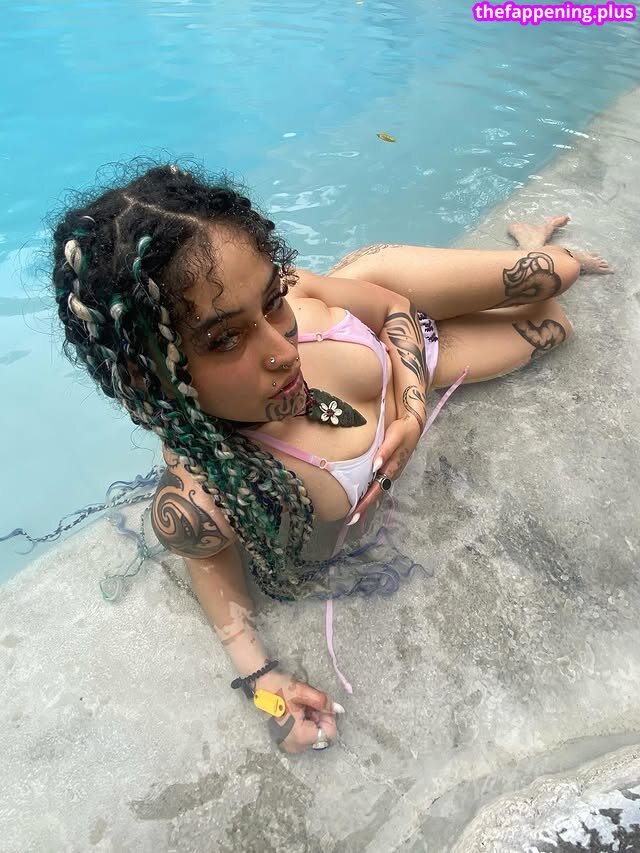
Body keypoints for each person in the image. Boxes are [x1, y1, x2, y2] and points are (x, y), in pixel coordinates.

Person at [51, 163, 610, 754]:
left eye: (273, 300)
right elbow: (208, 561)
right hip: (430, 357)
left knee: (562, 271)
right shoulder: (207, 492)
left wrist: (411, 414)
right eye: (224, 338)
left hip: (380, 307)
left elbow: (392, 305)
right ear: (147, 375)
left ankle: (528, 245)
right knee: (555, 323)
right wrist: (263, 683)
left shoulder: (291, 295)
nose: (282, 350)